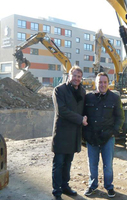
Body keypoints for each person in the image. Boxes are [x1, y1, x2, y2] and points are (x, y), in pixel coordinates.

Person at [83, 72, 124, 198]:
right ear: (96, 83)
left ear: (108, 83)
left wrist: (114, 132)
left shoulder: (114, 98)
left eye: (105, 82)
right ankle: (92, 185)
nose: (102, 84)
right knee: (92, 164)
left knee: (108, 165)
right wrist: (85, 134)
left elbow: (120, 117)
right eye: (100, 82)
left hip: (107, 138)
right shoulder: (88, 97)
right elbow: (83, 115)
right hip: (92, 137)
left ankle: (109, 187)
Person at [51, 66, 87, 200]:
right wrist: (80, 119)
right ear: (69, 76)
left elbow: (84, 110)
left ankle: (65, 186)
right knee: (59, 163)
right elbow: (62, 110)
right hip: (62, 133)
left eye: (79, 76)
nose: (77, 78)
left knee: (68, 162)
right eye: (75, 75)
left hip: (74, 134)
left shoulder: (82, 92)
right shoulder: (59, 90)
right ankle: (57, 191)